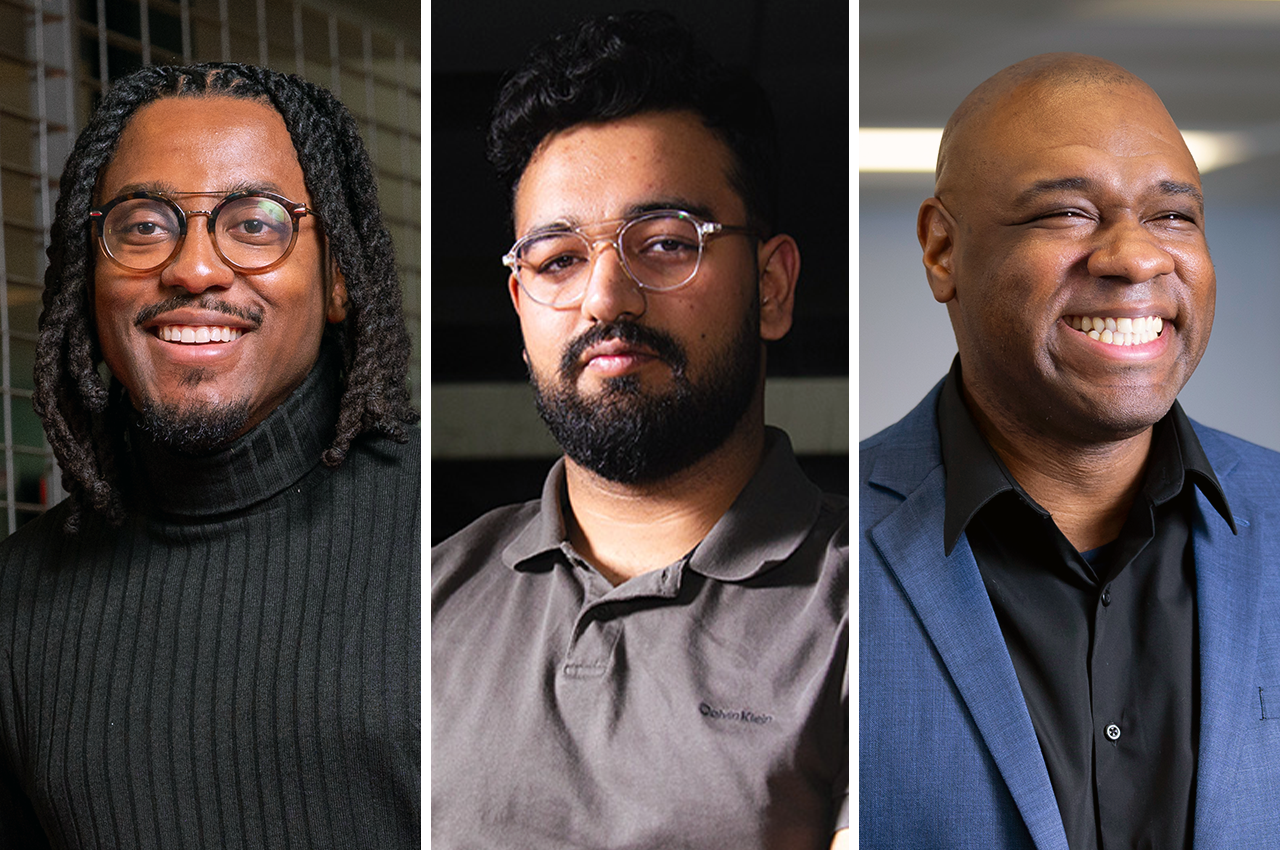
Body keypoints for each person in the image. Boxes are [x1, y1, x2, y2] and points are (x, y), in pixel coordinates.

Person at [431, 11, 847, 849]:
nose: (605, 298)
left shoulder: (871, 615)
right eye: (557, 260)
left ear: (770, 287)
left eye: (663, 244)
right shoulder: (430, 601)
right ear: (521, 311)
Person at [860, 52, 1280, 849]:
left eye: (1172, 217)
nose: (1135, 258)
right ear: (943, 250)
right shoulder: (834, 549)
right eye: (1067, 213)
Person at [0, 63, 419, 846]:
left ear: (337, 279)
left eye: (256, 223)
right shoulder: (15, 606)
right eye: (145, 225)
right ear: (89, 279)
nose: (193, 268)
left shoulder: (449, 546)